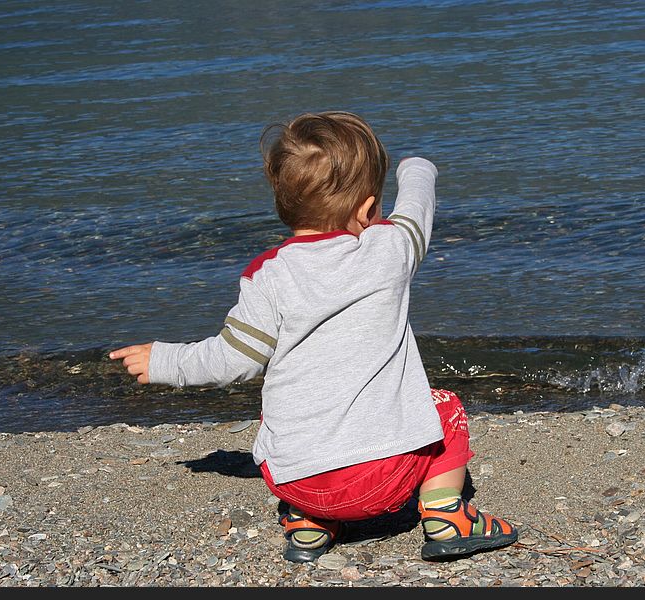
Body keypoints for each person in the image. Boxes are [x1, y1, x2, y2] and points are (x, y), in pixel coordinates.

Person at [109, 111, 517, 563]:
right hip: (383, 482)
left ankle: (309, 522)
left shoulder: (268, 275)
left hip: (297, 484)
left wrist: (166, 361)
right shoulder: (390, 251)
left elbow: (232, 360)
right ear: (367, 210)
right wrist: (417, 167)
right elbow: (417, 210)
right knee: (444, 406)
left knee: (280, 412)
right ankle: (446, 516)